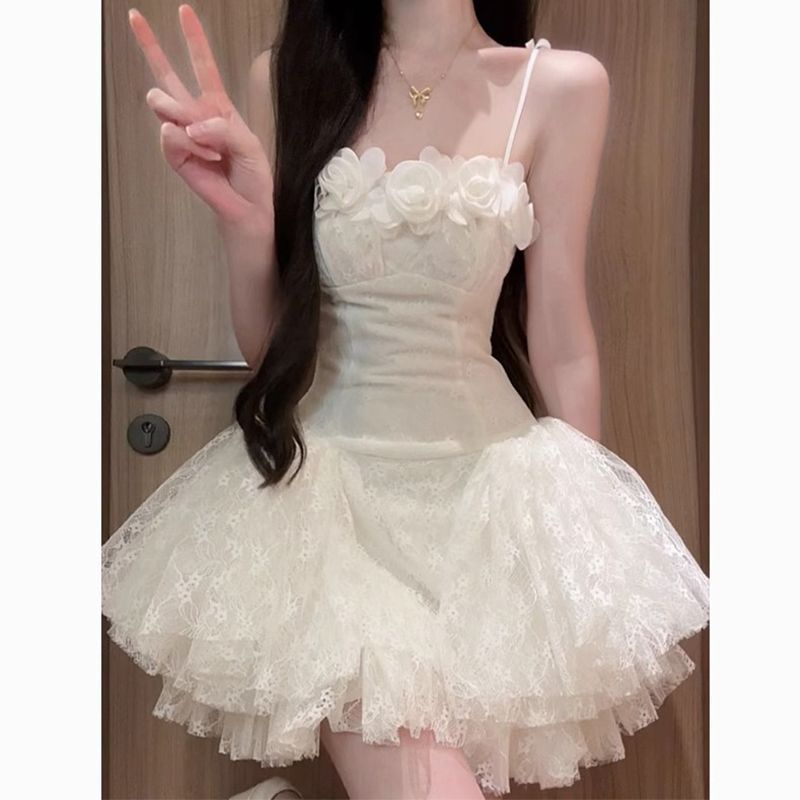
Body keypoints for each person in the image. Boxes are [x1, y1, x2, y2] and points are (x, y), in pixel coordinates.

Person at [103, 2, 710, 798]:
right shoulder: (287, 78)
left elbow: (561, 332)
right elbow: (275, 352)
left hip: (488, 516)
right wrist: (244, 225)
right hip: (333, 518)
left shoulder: (560, 86)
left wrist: (583, 530)